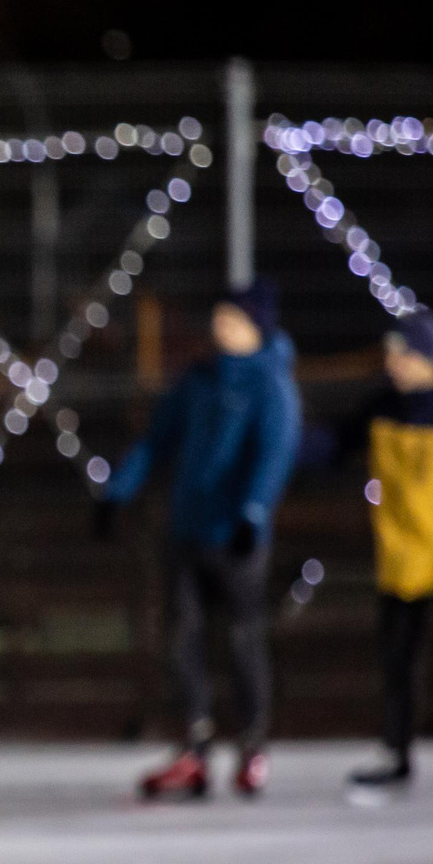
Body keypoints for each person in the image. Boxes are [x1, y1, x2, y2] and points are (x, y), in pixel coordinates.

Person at [95, 281, 302, 798]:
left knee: (241, 639)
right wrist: (117, 491)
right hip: (186, 531)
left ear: (257, 327)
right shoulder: (199, 382)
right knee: (182, 640)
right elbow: (156, 440)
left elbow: (274, 453)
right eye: (218, 318)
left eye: (232, 320)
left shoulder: (269, 385)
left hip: (236, 537)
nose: (220, 328)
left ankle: (252, 747)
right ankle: (195, 745)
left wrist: (253, 513)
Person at [310, 311, 433, 807]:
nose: (393, 364)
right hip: (401, 557)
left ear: (427, 357)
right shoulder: (383, 406)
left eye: (403, 354)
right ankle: (396, 757)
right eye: (390, 354)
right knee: (399, 658)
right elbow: (334, 444)